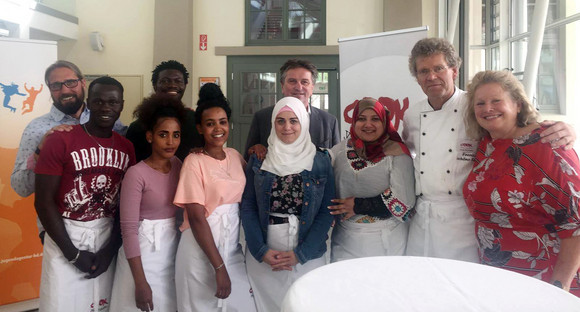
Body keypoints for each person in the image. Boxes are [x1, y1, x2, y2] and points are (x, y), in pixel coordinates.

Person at [403, 37, 576, 262]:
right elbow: (407, 153)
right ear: (416, 78)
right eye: (423, 71)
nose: (431, 76)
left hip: (462, 217)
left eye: (439, 68)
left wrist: (567, 128)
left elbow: (516, 128)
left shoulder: (474, 105)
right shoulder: (411, 115)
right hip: (423, 215)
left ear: (454, 71)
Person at [462, 70, 580, 296]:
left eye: (496, 100)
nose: (488, 108)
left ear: (517, 104)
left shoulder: (548, 143)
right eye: (480, 103)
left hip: (544, 276)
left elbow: (575, 224)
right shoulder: (486, 145)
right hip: (498, 273)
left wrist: (559, 288)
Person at [34, 76, 136, 312]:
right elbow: (43, 202)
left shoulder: (126, 147)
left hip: (106, 236)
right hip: (66, 236)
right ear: (88, 103)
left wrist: (110, 250)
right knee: (61, 305)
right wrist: (72, 254)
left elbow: (125, 204)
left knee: (102, 305)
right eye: (99, 102)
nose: (106, 108)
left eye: (113, 102)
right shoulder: (60, 140)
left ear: (121, 105)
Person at [11, 60, 126, 243]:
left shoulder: (110, 121)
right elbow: (20, 187)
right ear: (49, 89)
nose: (64, 90)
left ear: (83, 83)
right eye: (56, 85)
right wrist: (40, 152)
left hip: (106, 227)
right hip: (59, 230)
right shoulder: (38, 129)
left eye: (70, 82)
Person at [241, 96, 335, 312]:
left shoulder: (320, 160)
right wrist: (260, 250)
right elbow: (248, 206)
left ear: (303, 123)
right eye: (280, 121)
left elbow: (326, 211)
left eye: (294, 120)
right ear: (273, 123)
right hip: (265, 251)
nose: (287, 127)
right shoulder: (259, 159)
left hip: (308, 253)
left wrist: (301, 254)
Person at [173, 91, 256, 312]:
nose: (218, 129)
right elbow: (197, 218)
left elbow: (256, 187)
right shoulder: (194, 161)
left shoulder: (235, 156)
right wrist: (218, 267)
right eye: (210, 124)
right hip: (200, 249)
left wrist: (259, 151)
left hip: (231, 245)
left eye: (222, 122)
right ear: (200, 128)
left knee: (242, 305)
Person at [109, 95, 186, 311]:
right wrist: (140, 282)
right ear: (150, 136)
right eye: (163, 135)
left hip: (170, 251)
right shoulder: (136, 174)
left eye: (176, 135)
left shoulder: (179, 165)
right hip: (141, 255)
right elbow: (129, 230)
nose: (171, 142)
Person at [328, 97, 415, 262]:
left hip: (385, 238)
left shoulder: (397, 152)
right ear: (353, 122)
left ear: (384, 122)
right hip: (345, 238)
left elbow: (404, 202)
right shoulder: (339, 151)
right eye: (362, 119)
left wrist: (358, 205)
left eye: (375, 119)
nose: (368, 125)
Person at [244, 58, 340, 160]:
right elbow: (248, 158)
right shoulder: (262, 117)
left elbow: (336, 161)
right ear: (282, 86)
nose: (299, 87)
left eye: (304, 82)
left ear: (312, 88)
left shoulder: (329, 121)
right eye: (292, 81)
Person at [126, 60, 203, 162]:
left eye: (178, 81)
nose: (172, 85)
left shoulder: (196, 121)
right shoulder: (138, 127)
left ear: (185, 85)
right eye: (165, 81)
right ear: (155, 85)